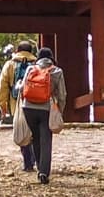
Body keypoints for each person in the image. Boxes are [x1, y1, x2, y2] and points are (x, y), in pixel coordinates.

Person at [18, 46, 67, 184]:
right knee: (46, 139)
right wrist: (59, 111)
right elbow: (62, 94)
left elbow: (22, 89)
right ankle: (43, 172)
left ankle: (40, 167)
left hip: (28, 108)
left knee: (36, 137)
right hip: (46, 109)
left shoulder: (31, 69)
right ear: (51, 58)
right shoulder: (57, 71)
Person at [0, 38, 39, 173]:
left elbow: (2, 87)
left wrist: (2, 105)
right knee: (35, 132)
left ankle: (28, 162)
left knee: (21, 131)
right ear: (31, 52)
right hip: (36, 102)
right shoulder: (37, 64)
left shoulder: (10, 64)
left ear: (17, 51)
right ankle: (36, 159)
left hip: (17, 103)